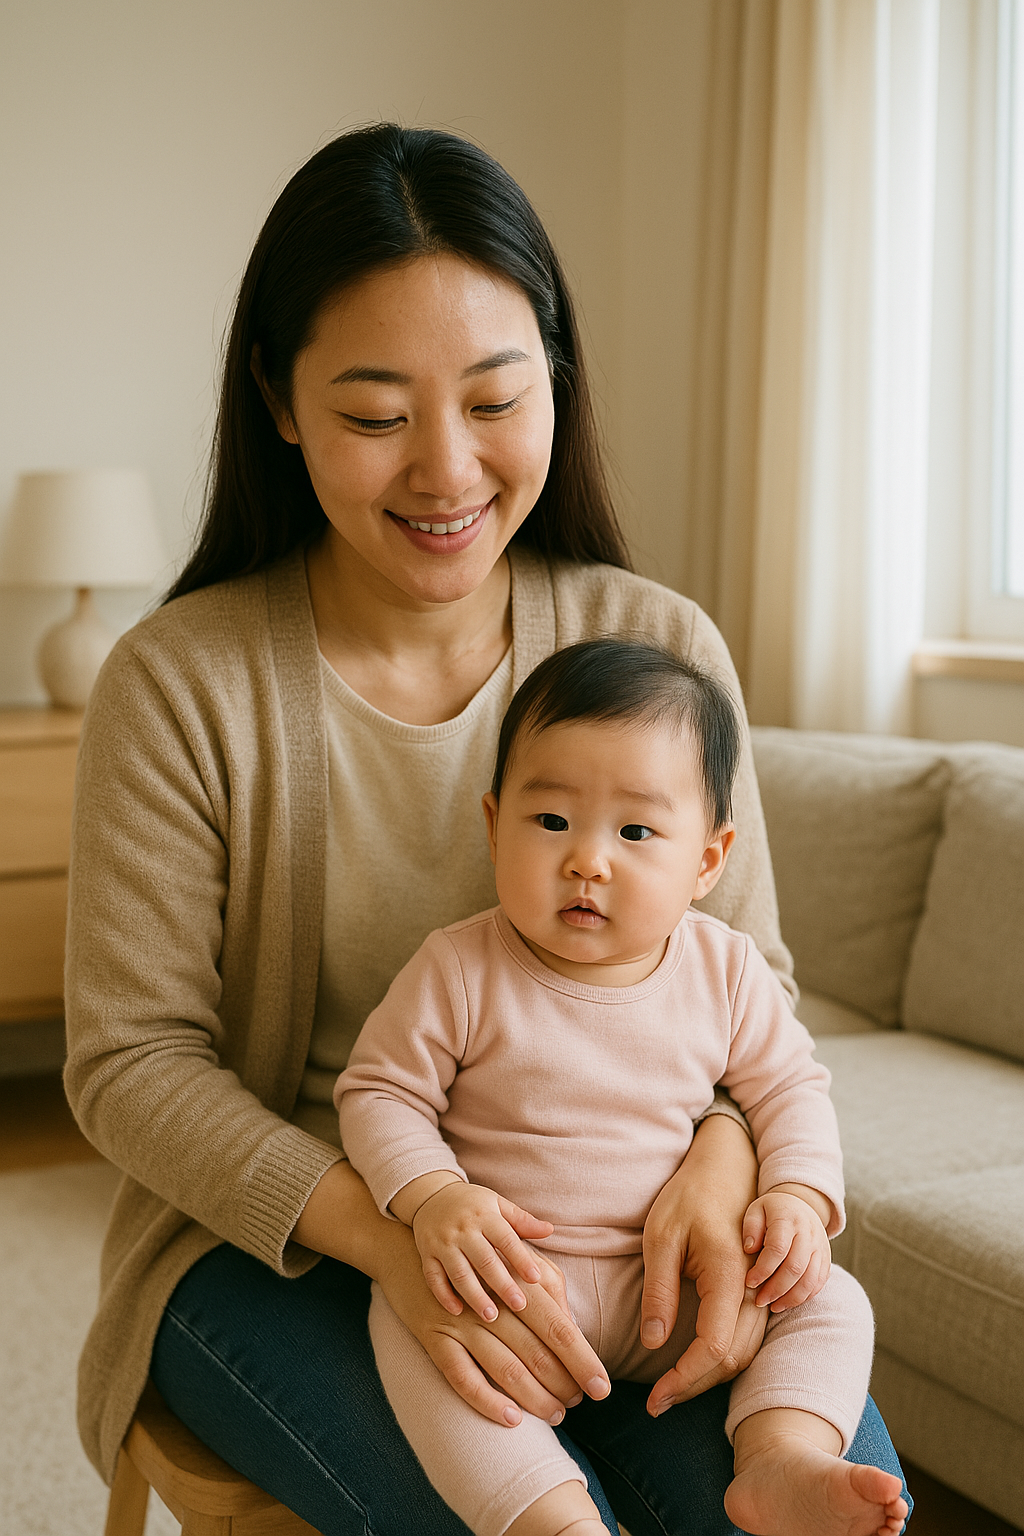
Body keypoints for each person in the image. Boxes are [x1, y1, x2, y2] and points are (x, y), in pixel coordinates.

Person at [63, 123, 911, 1536]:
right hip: (284, 1240)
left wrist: (723, 1159)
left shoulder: (655, 643)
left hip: (625, 1220)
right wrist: (398, 1236)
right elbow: (130, 1066)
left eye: (496, 400)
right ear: (278, 399)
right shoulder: (182, 683)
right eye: (378, 413)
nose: (446, 471)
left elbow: (744, 984)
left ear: (558, 387)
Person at [336, 638, 907, 1536]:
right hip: (512, 1286)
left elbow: (790, 1087)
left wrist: (797, 1192)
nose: (588, 861)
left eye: (636, 832)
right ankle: (550, 1518)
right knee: (420, 1341)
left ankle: (779, 1455)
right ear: (494, 826)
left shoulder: (725, 969)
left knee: (831, 1297)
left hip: (672, 1287)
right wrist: (434, 1195)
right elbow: (378, 1094)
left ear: (708, 861)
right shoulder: (460, 967)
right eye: (551, 821)